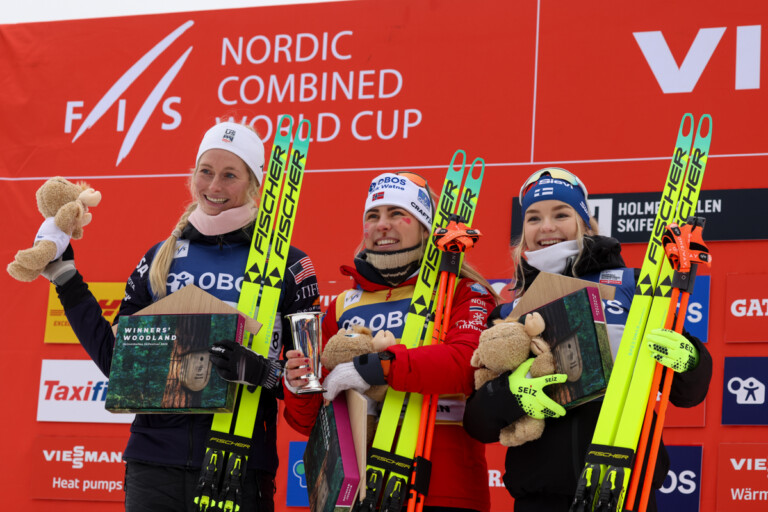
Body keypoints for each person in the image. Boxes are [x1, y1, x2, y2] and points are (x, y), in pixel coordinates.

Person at [43, 122, 320, 511]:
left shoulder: (292, 265)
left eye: (230, 175)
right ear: (192, 176)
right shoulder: (161, 257)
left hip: (239, 463)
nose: (215, 187)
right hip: (154, 465)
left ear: (254, 183)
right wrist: (67, 282)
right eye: (205, 171)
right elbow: (118, 362)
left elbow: (311, 383)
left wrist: (263, 373)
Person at [462, 167, 712, 512]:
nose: (546, 226)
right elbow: (478, 423)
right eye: (533, 218)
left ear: (586, 224)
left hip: (625, 487)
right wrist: (510, 396)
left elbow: (689, 393)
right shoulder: (509, 311)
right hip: (540, 498)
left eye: (561, 214)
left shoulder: (633, 286)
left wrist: (691, 359)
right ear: (523, 233)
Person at [282, 172, 500, 512]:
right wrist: (298, 387)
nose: (383, 225)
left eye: (398, 213)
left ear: (426, 227)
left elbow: (466, 363)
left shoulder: (463, 292)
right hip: (358, 491)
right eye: (373, 215)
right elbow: (311, 422)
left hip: (443, 490)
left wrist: (378, 368)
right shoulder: (342, 304)